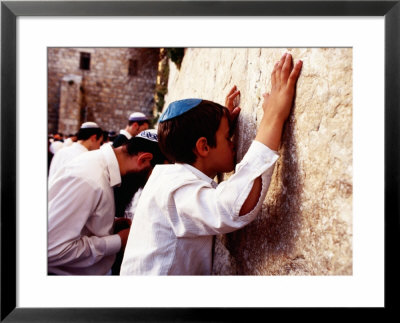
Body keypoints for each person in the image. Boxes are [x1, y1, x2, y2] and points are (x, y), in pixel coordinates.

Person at [120, 53, 302, 275]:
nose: (233, 142)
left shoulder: (170, 177)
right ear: (203, 147)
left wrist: (219, 133)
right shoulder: (173, 191)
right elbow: (232, 208)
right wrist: (273, 117)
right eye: (227, 137)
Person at [48, 129, 166, 275]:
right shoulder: (89, 179)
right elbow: (53, 249)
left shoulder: (100, 169)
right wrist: (118, 241)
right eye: (155, 176)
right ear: (144, 159)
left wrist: (111, 225)